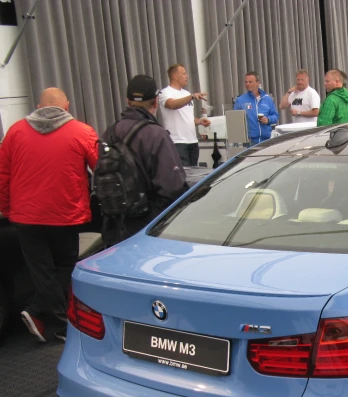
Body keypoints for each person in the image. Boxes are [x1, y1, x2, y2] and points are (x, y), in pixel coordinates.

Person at [0, 87, 98, 343]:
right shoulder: (82, 131)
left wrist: (6, 207)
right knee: (65, 265)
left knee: (41, 269)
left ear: (38, 106)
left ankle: (41, 314)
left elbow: (3, 174)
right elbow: (100, 165)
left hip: (25, 216)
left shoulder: (15, 131)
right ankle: (56, 323)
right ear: (65, 107)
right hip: (65, 213)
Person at [100, 75, 188, 247]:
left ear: (127, 100)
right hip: (146, 228)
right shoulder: (156, 135)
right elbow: (173, 186)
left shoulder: (109, 133)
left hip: (114, 226)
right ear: (156, 102)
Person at [159, 64, 211, 167]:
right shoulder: (165, 93)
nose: (187, 76)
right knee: (183, 174)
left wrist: (200, 121)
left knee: (194, 174)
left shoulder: (186, 93)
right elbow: (172, 105)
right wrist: (191, 97)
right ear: (175, 76)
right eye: (184, 73)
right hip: (177, 142)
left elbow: (188, 118)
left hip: (192, 141)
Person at [233, 72, 279, 145]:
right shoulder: (240, 100)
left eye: (250, 82)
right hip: (249, 142)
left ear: (258, 82)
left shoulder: (267, 98)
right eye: (246, 82)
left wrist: (268, 119)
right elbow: (235, 121)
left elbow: (275, 115)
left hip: (266, 140)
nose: (247, 84)